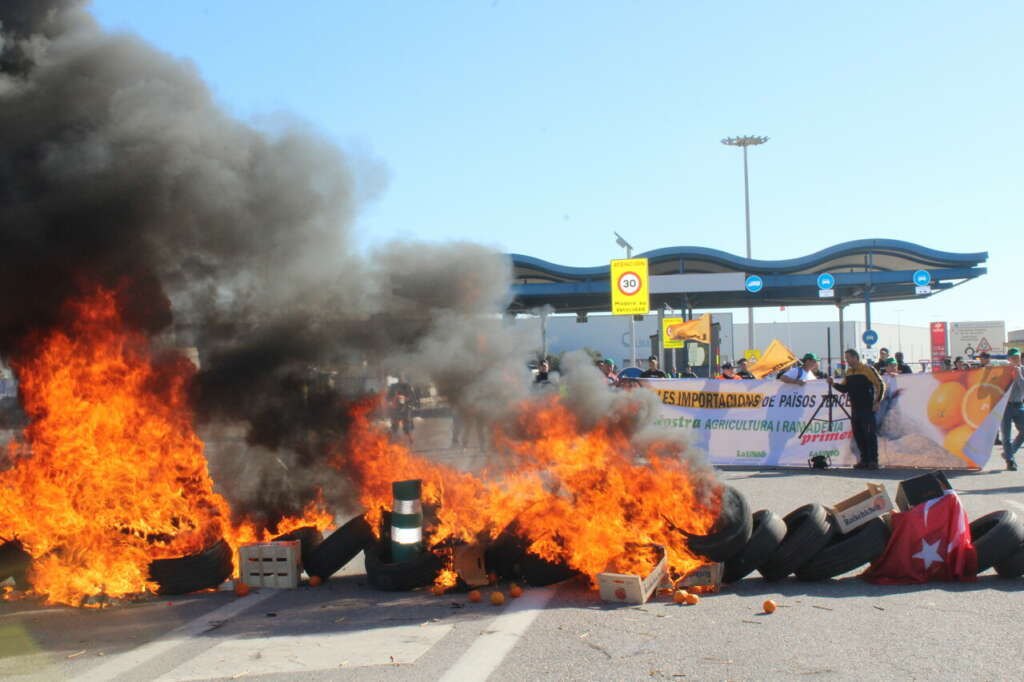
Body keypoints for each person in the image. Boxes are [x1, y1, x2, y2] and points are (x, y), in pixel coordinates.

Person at [828, 349, 885, 469]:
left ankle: (873, 461)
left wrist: (877, 401)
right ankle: (864, 460)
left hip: (867, 408)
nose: (846, 360)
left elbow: (880, 384)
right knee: (858, 435)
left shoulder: (868, 369)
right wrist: (833, 384)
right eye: (846, 358)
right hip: (855, 409)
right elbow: (844, 388)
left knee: (869, 435)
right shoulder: (848, 372)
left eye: (848, 357)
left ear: (855, 357)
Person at [1001, 348, 1024, 471]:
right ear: (1008, 359)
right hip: (1005, 407)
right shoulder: (1003, 371)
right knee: (1006, 436)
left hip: (1019, 405)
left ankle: (1009, 453)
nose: (1017, 360)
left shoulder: (1022, 370)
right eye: (1014, 357)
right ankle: (1010, 461)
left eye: (1018, 357)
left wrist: (1018, 373)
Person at [387, 375, 418, 445]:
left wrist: (407, 399)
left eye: (402, 377)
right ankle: (390, 438)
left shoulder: (408, 386)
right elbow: (388, 397)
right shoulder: (393, 387)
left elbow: (412, 397)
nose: (401, 379)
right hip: (395, 408)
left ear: (404, 378)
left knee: (407, 423)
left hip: (406, 407)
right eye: (400, 377)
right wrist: (393, 400)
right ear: (398, 378)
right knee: (394, 424)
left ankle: (410, 438)